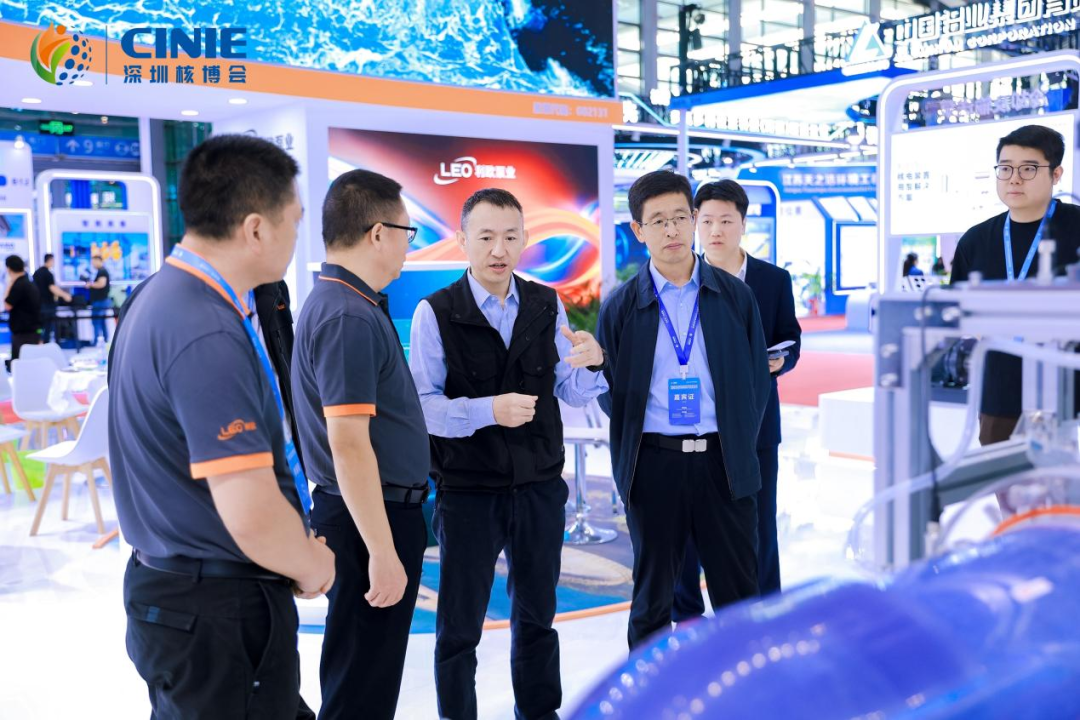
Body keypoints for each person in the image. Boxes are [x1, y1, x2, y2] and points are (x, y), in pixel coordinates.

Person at [108, 134, 335, 719]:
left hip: (181, 595)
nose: (297, 235)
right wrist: (310, 563)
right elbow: (250, 512)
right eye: (294, 221)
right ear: (256, 229)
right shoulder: (205, 329)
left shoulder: (159, 299)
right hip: (217, 609)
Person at [409, 188, 608, 720]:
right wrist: (488, 411)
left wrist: (592, 363)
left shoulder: (546, 303)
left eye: (511, 237)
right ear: (462, 240)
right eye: (486, 237)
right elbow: (423, 406)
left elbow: (568, 388)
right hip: (469, 491)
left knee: (538, 618)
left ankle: (539, 713)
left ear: (525, 239)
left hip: (539, 486)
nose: (499, 250)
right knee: (459, 626)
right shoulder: (436, 312)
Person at [596, 169, 771, 649]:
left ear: (693, 219)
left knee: (739, 597)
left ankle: (745, 687)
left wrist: (736, 439)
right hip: (654, 466)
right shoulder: (621, 307)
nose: (671, 229)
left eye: (679, 217)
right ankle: (653, 689)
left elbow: (755, 383)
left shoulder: (734, 296)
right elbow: (611, 391)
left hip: (723, 464)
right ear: (638, 230)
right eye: (658, 221)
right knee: (652, 600)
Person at [291, 169, 431, 720]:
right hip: (368, 519)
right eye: (406, 232)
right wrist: (382, 552)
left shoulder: (348, 302)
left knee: (364, 672)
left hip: (369, 512)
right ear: (378, 233)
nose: (407, 245)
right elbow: (348, 445)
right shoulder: (347, 314)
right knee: (361, 684)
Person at [671, 180, 801, 620]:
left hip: (756, 422)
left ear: (743, 224)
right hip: (694, 421)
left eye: (726, 221)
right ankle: (689, 618)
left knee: (759, 523)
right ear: (695, 223)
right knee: (689, 524)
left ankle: (766, 614)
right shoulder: (679, 278)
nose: (715, 230)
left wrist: (780, 361)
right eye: (706, 221)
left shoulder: (773, 280)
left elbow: (791, 338)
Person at [950, 124, 1080, 446]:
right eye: (1005, 168)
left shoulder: (1076, 226)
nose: (1014, 179)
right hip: (1001, 394)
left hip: (1070, 394)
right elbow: (961, 314)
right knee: (1004, 475)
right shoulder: (975, 241)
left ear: (1056, 174)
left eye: (1028, 168)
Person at [5, 254, 41, 369]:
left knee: (21, 367)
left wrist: (10, 283)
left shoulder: (18, 285)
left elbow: (7, 305)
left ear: (9, 269)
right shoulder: (30, 283)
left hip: (23, 333)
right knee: (29, 365)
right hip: (32, 330)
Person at [32, 253, 72, 343]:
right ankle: (46, 343)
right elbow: (52, 288)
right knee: (48, 325)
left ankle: (39, 342)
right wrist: (65, 295)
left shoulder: (36, 273)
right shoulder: (48, 273)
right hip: (48, 304)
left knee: (40, 326)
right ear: (50, 260)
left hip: (38, 304)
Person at [86, 253, 111, 344]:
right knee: (101, 321)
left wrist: (90, 284)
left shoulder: (102, 271)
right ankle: (105, 340)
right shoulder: (101, 271)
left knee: (96, 321)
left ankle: (96, 341)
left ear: (98, 261)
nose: (92, 264)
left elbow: (101, 284)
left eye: (93, 262)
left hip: (100, 300)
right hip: (100, 300)